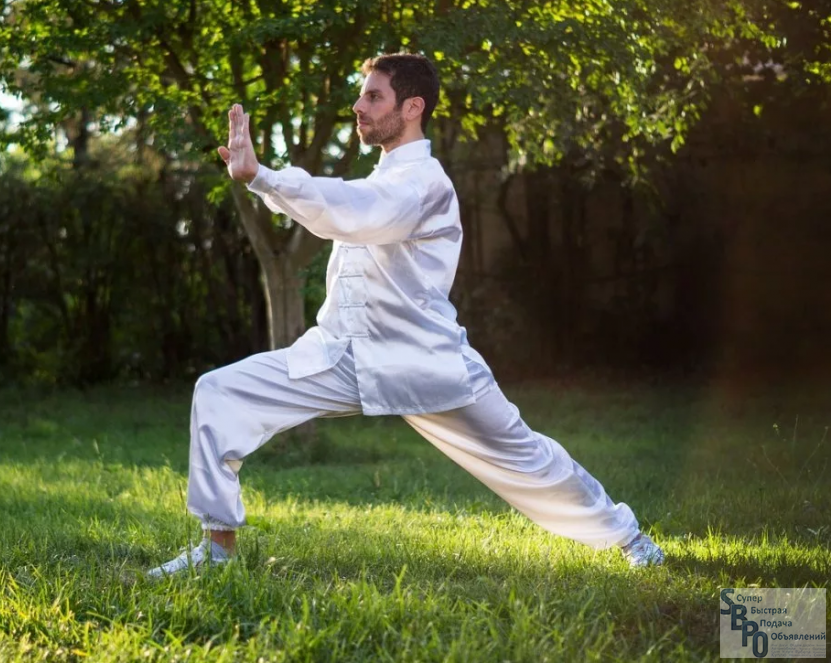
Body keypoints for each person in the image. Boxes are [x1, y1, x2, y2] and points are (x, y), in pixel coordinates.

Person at [147, 53, 664, 577]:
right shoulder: (386, 177)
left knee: (524, 456)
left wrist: (263, 176)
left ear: (412, 107)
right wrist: (263, 181)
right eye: (361, 94)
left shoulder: (422, 183)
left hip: (426, 362)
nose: (359, 106)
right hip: (343, 356)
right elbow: (346, 210)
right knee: (219, 391)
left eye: (374, 96)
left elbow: (352, 209)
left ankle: (629, 538)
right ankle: (217, 551)